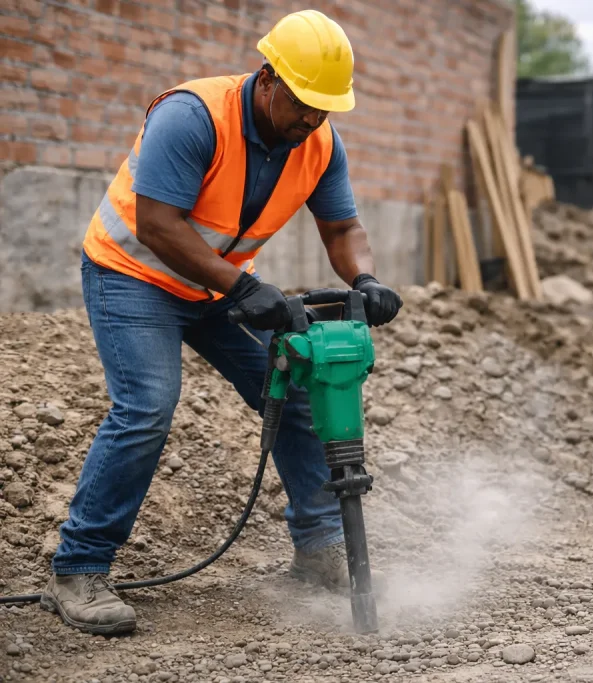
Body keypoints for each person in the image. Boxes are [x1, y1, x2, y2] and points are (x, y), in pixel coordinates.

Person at [39, 10, 403, 635]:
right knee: (148, 405)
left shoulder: (317, 141)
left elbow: (343, 228)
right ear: (268, 79)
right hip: (134, 274)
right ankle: (78, 569)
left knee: (296, 389)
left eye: (324, 109)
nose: (312, 120)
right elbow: (157, 223)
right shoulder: (193, 115)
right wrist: (242, 285)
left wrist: (365, 279)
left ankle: (319, 549)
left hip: (215, 284)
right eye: (302, 104)